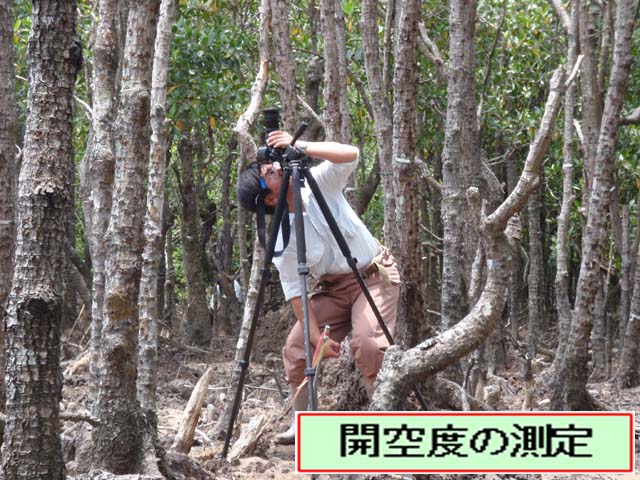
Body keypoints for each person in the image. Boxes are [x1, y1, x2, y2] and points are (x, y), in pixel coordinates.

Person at [237, 131, 400, 444]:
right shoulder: (282, 237)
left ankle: (383, 421)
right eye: (268, 175)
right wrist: (315, 336)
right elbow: (294, 290)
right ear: (268, 199)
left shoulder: (317, 183)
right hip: (334, 289)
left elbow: (350, 153)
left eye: (273, 166)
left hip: (373, 275)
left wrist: (301, 146)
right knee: (297, 348)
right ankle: (303, 423)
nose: (276, 168)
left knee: (368, 343)